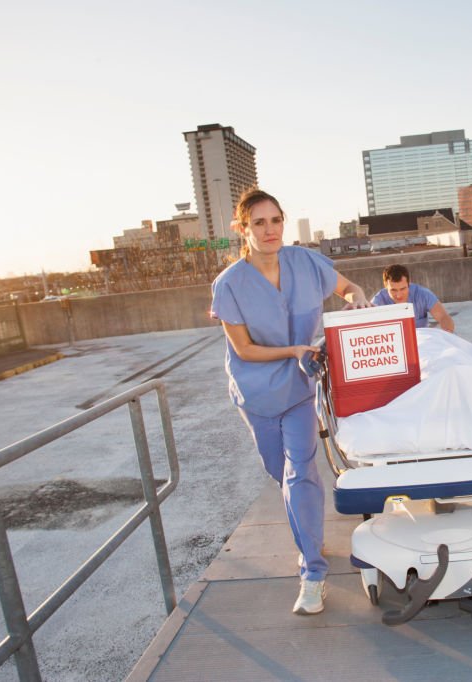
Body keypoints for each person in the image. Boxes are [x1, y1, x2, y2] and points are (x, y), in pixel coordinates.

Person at [210, 188, 370, 616]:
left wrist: (356, 299)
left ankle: (312, 572)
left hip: (301, 388)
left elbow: (349, 286)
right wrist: (294, 350)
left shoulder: (305, 261)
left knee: (301, 471)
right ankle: (308, 530)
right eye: (258, 223)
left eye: (275, 220)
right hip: (257, 393)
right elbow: (243, 349)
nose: (269, 230)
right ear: (243, 230)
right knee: (280, 474)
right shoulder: (229, 285)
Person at [370, 264, 455, 332]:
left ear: (409, 284)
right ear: (385, 287)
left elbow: (443, 317)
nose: (399, 295)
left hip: (421, 341)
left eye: (403, 289)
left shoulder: (423, 294)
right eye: (393, 290)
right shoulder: (377, 302)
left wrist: (448, 331)